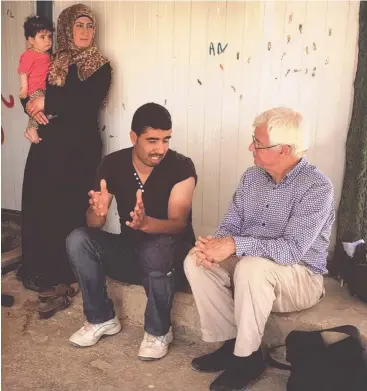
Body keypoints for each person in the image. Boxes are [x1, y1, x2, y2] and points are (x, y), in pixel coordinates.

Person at [184, 107, 335, 391]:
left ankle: (247, 358)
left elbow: (291, 251)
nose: (250, 146)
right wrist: (214, 245)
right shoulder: (251, 177)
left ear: (284, 150)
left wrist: (234, 245)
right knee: (196, 260)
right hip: (252, 270)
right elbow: (230, 225)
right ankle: (231, 343)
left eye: (258, 142)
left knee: (252, 267)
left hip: (299, 278)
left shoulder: (317, 188)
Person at [66, 103, 197, 361]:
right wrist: (99, 212)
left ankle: (159, 331)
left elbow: (178, 223)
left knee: (157, 247)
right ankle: (101, 318)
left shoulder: (181, 167)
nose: (160, 149)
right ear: (133, 137)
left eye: (166, 139)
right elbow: (93, 224)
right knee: (78, 239)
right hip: (132, 254)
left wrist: (147, 224)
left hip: (172, 260)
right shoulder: (113, 164)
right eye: (152, 140)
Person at [17, 3, 112, 317]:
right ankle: (39, 270)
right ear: (67, 28)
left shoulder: (99, 65)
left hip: (78, 150)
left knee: (67, 209)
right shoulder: (54, 60)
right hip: (47, 144)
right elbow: (32, 91)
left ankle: (65, 277)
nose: (85, 32)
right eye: (79, 26)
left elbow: (84, 103)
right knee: (40, 204)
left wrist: (50, 100)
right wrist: (32, 106)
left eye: (90, 26)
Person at [18, 15, 54, 144]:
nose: (47, 41)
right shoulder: (29, 55)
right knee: (36, 109)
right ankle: (31, 129)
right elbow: (23, 72)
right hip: (35, 89)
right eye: (42, 37)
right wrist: (24, 88)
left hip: (44, 88)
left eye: (49, 36)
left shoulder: (47, 54)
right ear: (31, 40)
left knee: (44, 109)